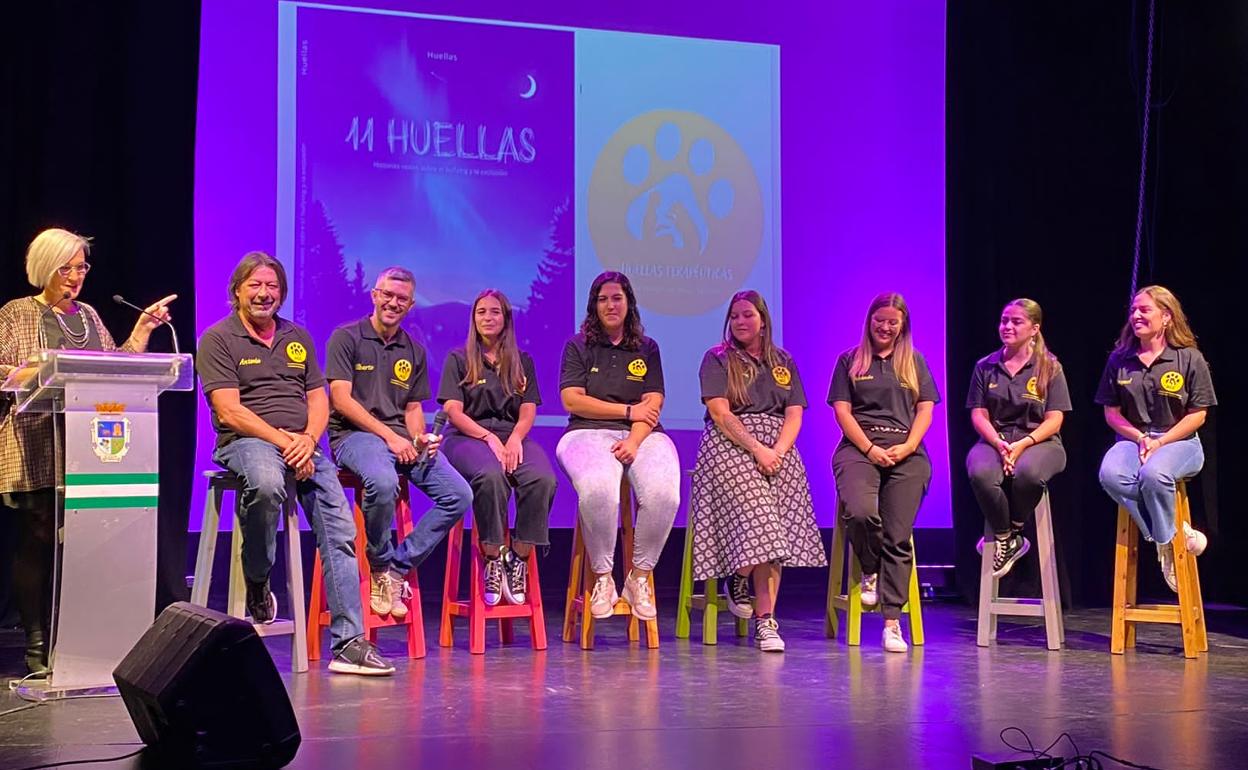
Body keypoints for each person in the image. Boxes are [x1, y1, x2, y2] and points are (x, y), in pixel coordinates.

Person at [198, 251, 392, 675]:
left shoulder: (296, 337)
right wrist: (285, 442)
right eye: (256, 285)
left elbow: (318, 398)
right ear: (237, 291)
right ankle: (258, 579)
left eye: (272, 287)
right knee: (267, 483)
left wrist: (307, 439)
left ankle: (350, 644)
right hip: (247, 440)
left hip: (301, 445)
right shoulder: (218, 338)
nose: (264, 293)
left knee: (340, 528)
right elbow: (229, 410)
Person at [0, 228, 174, 677]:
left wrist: (142, 331)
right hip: (34, 441)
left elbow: (115, 366)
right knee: (38, 538)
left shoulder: (91, 315)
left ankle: (81, 641)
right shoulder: (16, 313)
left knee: (88, 542)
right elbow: (2, 370)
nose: (77, 276)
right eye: (68, 267)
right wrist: (38, 371)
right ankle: (37, 645)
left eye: (82, 267)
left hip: (90, 445)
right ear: (45, 266)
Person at [325, 267, 471, 618]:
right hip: (354, 436)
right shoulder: (346, 337)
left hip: (399, 439)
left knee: (459, 495)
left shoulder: (414, 350)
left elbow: (412, 408)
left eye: (401, 299)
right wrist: (391, 437)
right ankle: (377, 564)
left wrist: (420, 438)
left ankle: (396, 567)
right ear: (375, 295)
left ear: (409, 305)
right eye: (387, 295)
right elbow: (341, 400)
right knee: (383, 480)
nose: (393, 303)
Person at [689, 290, 825, 653]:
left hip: (777, 446)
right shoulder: (717, 359)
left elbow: (795, 413)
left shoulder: (783, 361)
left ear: (763, 319)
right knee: (764, 517)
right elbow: (720, 413)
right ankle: (740, 576)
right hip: (731, 444)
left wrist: (778, 451)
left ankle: (763, 617)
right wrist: (757, 449)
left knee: (779, 520)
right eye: (734, 316)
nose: (740, 322)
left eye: (747, 315)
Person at [556, 271, 680, 623]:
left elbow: (653, 402)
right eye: (603, 299)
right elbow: (572, 400)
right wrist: (626, 411)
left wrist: (634, 438)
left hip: (643, 433)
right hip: (586, 433)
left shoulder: (647, 347)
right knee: (599, 492)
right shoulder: (578, 345)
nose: (610, 305)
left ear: (629, 303)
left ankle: (638, 576)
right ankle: (603, 578)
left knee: (665, 496)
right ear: (594, 305)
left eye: (617, 298)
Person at [829, 292, 940, 653]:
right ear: (869, 320)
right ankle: (870, 569)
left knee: (898, 533)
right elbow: (843, 413)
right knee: (861, 513)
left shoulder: (914, 362)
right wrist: (870, 448)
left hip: (906, 453)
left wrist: (908, 447)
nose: (886, 327)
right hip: (860, 449)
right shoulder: (850, 360)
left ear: (903, 324)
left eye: (893, 321)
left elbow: (925, 410)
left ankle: (892, 622)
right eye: (880, 320)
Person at [438, 290, 557, 605]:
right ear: (473, 318)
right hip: (467, 436)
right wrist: (488, 438)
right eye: (481, 312)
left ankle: (517, 558)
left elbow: (528, 409)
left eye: (494, 312)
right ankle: (492, 556)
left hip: (510, 434)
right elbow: (453, 410)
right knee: (491, 476)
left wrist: (516, 437)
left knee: (542, 478)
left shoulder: (522, 361)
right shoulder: (459, 358)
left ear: (506, 319)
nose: (487, 318)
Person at [1095, 285, 1215, 592]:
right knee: (1111, 474)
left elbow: (1198, 415)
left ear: (1166, 317)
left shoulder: (1189, 358)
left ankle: (1167, 547)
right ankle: (1173, 535)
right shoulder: (1120, 360)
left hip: (1180, 442)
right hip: (1133, 440)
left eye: (1144, 310)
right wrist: (1140, 438)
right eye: (1133, 310)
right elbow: (1112, 413)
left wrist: (1160, 443)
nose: (1136, 315)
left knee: (1153, 474)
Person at [966, 299, 1071, 578]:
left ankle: (1013, 528)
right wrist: (999, 444)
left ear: (1034, 328)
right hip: (995, 439)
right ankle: (1006, 536)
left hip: (1040, 441)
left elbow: (1055, 419)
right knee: (980, 473)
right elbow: (978, 414)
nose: (1007, 326)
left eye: (1016, 321)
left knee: (1029, 474)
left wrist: (1023, 444)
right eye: (1004, 320)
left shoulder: (1049, 367)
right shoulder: (985, 366)